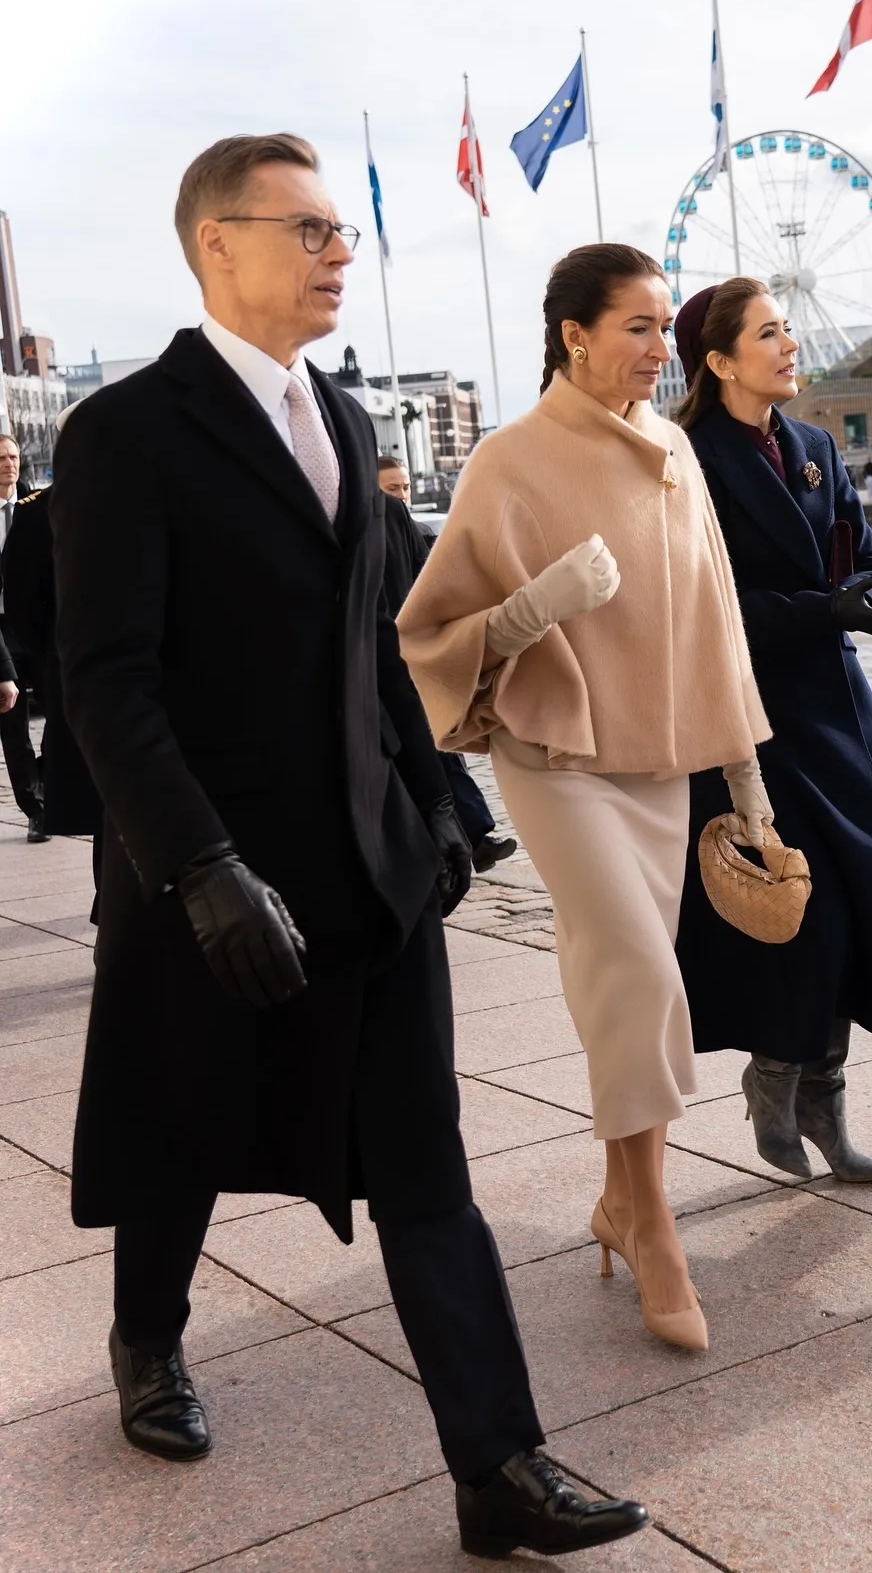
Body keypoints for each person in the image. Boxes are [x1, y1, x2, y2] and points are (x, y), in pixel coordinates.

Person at [50, 135, 648, 1561]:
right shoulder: (124, 433)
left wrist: (446, 810)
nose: (339, 252)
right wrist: (196, 867)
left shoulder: (346, 412)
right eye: (311, 228)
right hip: (210, 874)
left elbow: (374, 642)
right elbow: (110, 681)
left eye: (340, 233)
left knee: (424, 1161)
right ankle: (148, 1340)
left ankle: (495, 1461)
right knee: (180, 1128)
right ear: (217, 245)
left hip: (371, 871)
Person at [399, 243, 770, 1356]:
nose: (663, 349)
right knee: (646, 972)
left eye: (665, 326)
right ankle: (655, 1227)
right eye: (640, 328)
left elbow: (716, 617)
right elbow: (428, 641)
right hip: (554, 753)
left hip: (659, 764)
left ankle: (622, 1197)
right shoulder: (508, 463)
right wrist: (538, 607)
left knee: (621, 984)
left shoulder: (674, 450)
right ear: (574, 334)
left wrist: (747, 782)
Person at [671, 280, 872, 1180]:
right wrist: (826, 608)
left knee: (867, 902)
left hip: (841, 706)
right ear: (721, 359)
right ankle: (776, 1077)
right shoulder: (689, 458)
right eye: (767, 333)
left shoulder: (813, 444)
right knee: (804, 910)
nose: (788, 344)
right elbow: (708, 600)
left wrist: (869, 599)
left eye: (786, 328)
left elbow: (866, 549)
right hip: (757, 717)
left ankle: (824, 1095)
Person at [379, 456, 516, 875]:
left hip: (418, 661)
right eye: (392, 489)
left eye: (404, 487)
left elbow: (435, 592)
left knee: (441, 749)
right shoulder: (364, 529)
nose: (402, 495)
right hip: (384, 664)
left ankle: (475, 835)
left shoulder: (415, 531)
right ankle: (462, 838)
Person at [2, 406, 102, 865]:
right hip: (48, 653)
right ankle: (35, 804)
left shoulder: (131, 499)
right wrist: (54, 649)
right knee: (19, 730)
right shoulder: (38, 511)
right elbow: (22, 599)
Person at [0, 433, 42, 837]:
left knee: (65, 716)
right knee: (13, 727)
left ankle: (49, 784)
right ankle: (35, 809)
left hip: (39, 628)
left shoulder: (39, 506)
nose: (9, 464)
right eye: (0, 458)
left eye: (13, 456)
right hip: (1, 632)